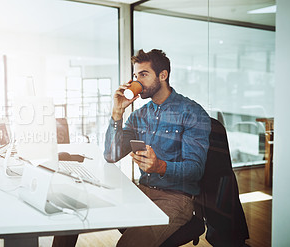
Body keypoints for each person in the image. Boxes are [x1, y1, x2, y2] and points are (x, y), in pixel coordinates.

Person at [52, 49, 211, 247]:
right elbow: (111, 155)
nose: (137, 81)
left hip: (175, 199)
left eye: (143, 74)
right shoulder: (140, 115)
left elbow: (196, 170)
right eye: (135, 76)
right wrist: (117, 112)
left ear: (163, 75)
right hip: (141, 192)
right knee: (73, 210)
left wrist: (160, 166)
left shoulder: (192, 112)